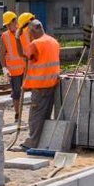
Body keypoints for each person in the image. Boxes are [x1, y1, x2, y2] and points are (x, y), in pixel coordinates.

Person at [20, 20, 61, 150]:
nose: (31, 35)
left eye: (31, 32)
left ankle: (32, 142)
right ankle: (43, 141)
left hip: (39, 87)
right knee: (46, 116)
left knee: (35, 117)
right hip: (52, 85)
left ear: (36, 29)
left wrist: (17, 38)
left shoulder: (36, 44)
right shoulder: (54, 42)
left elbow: (23, 54)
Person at [0, 11, 32, 120]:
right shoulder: (5, 36)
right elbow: (2, 54)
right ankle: (17, 114)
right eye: (6, 25)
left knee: (34, 90)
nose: (8, 27)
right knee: (16, 92)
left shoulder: (26, 31)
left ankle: (32, 113)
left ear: (15, 21)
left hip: (28, 68)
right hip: (14, 71)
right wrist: (4, 69)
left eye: (9, 24)